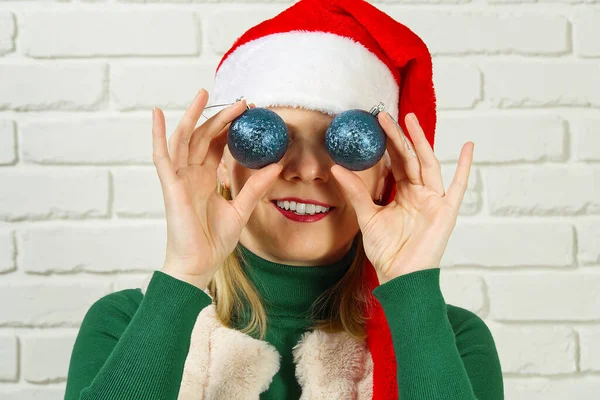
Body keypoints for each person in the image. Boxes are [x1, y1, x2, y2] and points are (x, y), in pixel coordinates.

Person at [64, 0, 504, 399]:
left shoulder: (454, 341)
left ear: (386, 170)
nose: (308, 169)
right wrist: (183, 274)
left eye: (344, 145)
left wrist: (412, 286)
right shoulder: (125, 325)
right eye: (267, 140)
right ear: (221, 160)